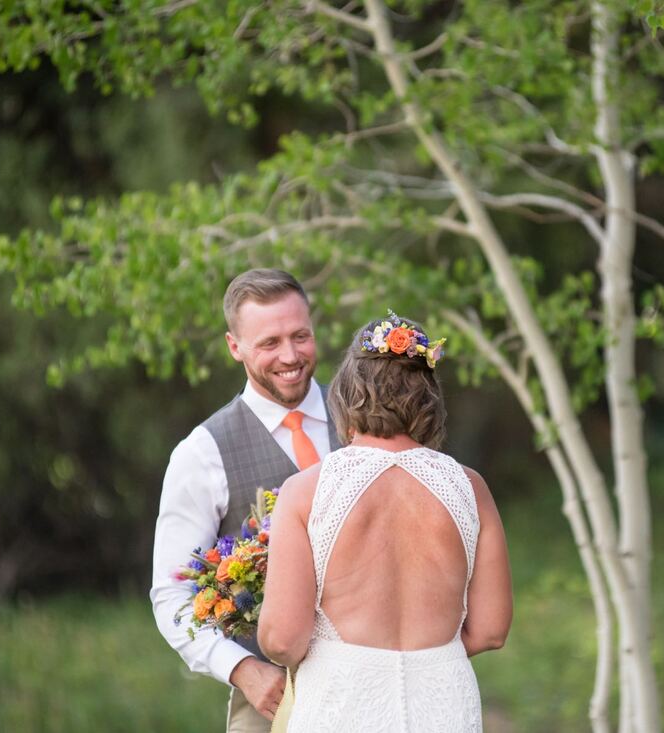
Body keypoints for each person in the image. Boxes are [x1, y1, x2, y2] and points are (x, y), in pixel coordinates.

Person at [258, 313, 513, 732]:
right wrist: (428, 659)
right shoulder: (471, 488)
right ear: (428, 397)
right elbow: (490, 630)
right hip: (442, 703)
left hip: (342, 704)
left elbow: (284, 640)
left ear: (347, 395)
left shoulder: (305, 491)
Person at [150, 269, 342, 733]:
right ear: (234, 347)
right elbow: (172, 594)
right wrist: (241, 669)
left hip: (373, 686)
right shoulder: (202, 453)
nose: (291, 356)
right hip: (272, 704)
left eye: (301, 336)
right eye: (270, 343)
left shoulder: (363, 417)